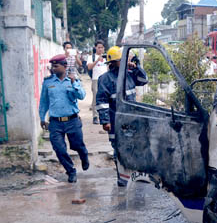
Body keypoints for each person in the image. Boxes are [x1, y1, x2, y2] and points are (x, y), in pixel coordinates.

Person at [96, 46, 148, 186]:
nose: (125, 61)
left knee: (135, 148)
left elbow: (143, 81)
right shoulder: (105, 79)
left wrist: (137, 66)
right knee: (119, 149)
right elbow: (102, 102)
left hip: (132, 120)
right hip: (116, 121)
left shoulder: (130, 73)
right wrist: (105, 121)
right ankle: (122, 177)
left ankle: (135, 175)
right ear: (113, 62)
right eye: (122, 60)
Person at [38, 54, 90, 183]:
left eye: (56, 66)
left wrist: (74, 83)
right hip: (55, 122)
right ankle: (71, 171)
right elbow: (44, 102)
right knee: (59, 149)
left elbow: (82, 96)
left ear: (65, 66)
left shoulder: (73, 80)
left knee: (77, 145)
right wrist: (42, 118)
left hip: (72, 120)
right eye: (52, 66)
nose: (53, 68)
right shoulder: (48, 82)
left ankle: (84, 155)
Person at [86, 40, 108, 124]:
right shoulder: (91, 57)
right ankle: (95, 116)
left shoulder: (107, 57)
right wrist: (97, 60)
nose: (100, 49)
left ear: (104, 48)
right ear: (95, 48)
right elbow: (89, 67)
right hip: (96, 79)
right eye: (98, 47)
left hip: (105, 79)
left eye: (102, 47)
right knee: (96, 97)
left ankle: (105, 115)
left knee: (106, 97)